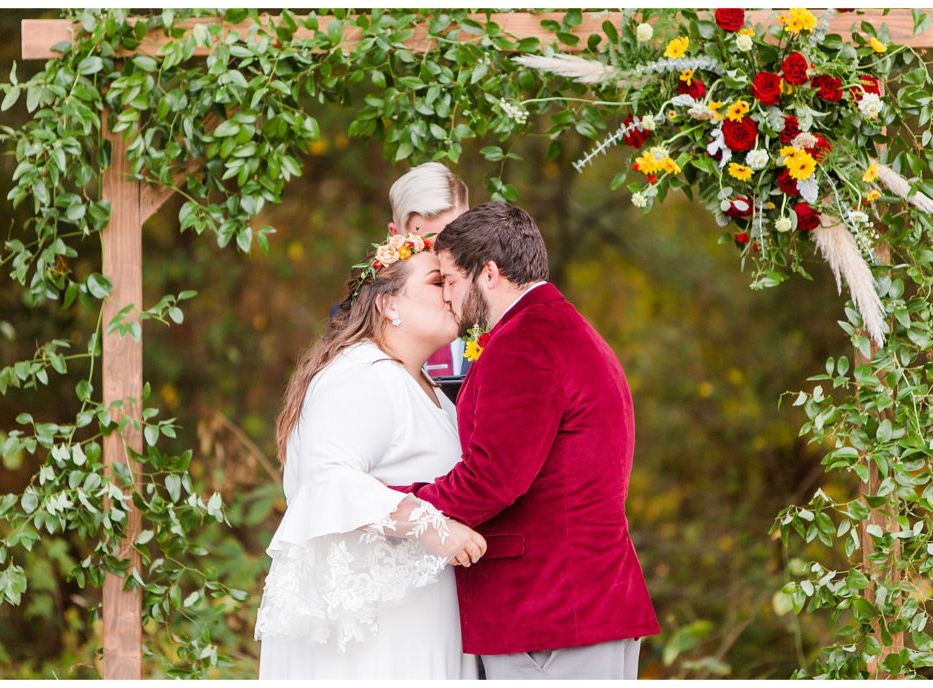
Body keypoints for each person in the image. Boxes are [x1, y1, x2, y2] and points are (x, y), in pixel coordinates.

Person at [396, 202, 661, 679]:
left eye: (452, 281)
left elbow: (491, 479)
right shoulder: (556, 327)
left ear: (490, 273)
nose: (449, 299)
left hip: (551, 610)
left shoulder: (525, 344)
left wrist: (395, 505)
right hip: (574, 605)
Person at [254, 231, 484, 679]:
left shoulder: (428, 390)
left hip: (419, 614)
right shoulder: (362, 376)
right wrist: (434, 528)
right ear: (388, 304)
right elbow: (329, 479)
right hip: (376, 632)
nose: (453, 293)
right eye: (437, 282)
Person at [387, 162, 470, 378]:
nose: (441, 261)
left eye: (452, 243)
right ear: (396, 238)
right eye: (424, 247)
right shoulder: (359, 322)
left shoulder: (497, 310)